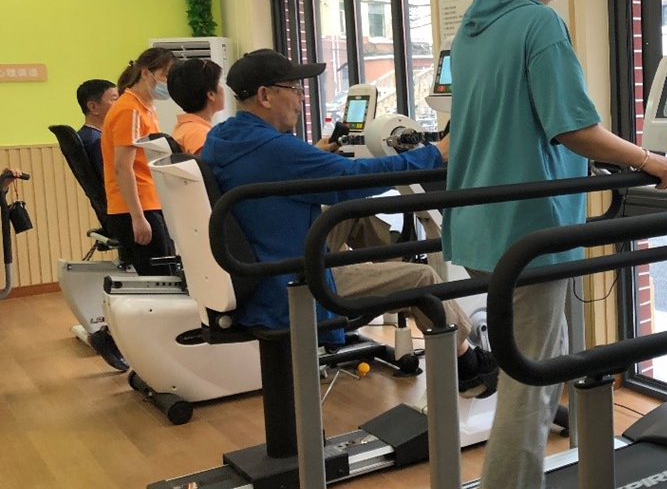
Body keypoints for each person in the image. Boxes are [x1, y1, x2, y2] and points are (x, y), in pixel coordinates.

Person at [443, 0, 667, 489]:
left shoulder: (473, 25)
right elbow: (575, 128)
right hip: (528, 234)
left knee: (529, 372)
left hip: (477, 228)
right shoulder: (538, 24)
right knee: (531, 385)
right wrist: (650, 159)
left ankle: (523, 486)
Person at [202, 49, 497, 397]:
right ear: (265, 95)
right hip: (291, 287)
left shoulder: (224, 138)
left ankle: (389, 277)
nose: (300, 99)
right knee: (422, 277)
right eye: (294, 89)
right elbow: (352, 179)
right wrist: (436, 153)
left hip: (264, 266)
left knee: (354, 213)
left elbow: (303, 176)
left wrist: (316, 160)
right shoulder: (271, 148)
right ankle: (469, 368)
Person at [102, 48, 177, 275]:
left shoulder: (146, 108)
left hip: (150, 202)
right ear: (146, 73)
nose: (168, 83)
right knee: (161, 279)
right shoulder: (129, 110)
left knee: (166, 273)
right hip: (137, 207)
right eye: (165, 75)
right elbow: (122, 167)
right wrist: (137, 217)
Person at [167, 58, 225, 155]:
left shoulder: (187, 127)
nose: (223, 88)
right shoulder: (198, 134)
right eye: (220, 82)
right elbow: (207, 169)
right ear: (211, 94)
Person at [76, 79, 118, 177]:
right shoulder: (97, 142)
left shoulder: (85, 135)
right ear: (93, 107)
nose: (120, 105)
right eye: (114, 100)